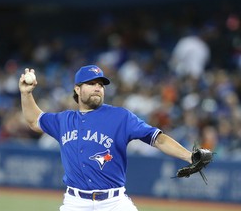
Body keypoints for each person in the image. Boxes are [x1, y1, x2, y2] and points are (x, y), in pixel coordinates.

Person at [19, 65, 192, 211]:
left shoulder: (121, 117)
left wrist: (190, 156)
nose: (97, 88)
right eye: (91, 83)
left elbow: (157, 138)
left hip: (114, 203)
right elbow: (35, 120)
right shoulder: (63, 120)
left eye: (101, 85)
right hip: (75, 203)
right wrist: (26, 94)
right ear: (77, 89)